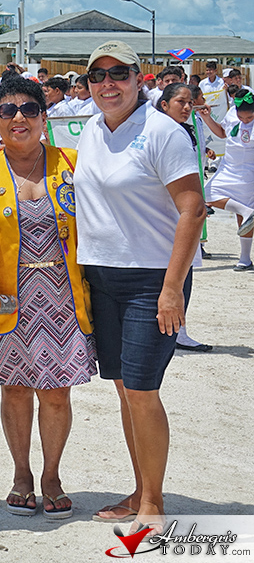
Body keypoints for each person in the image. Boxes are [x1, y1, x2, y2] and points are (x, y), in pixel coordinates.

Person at [75, 41, 205, 532]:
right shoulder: (90, 129)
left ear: (139, 78)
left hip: (151, 281)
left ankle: (153, 501)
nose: (108, 84)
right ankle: (139, 489)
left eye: (120, 73)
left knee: (144, 391)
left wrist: (172, 289)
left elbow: (192, 208)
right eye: (98, 75)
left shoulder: (162, 132)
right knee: (125, 390)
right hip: (101, 277)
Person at [0, 76, 96, 519]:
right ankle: (22, 474)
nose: (18, 118)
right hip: (7, 297)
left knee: (58, 394)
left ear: (45, 118)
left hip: (63, 297)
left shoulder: (74, 163)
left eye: (29, 109)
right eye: (8, 111)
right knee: (16, 391)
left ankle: (52, 476)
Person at [152, 84, 213, 351]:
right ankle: (176, 332)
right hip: (163, 215)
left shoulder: (188, 129)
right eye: (181, 102)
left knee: (183, 270)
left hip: (181, 209)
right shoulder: (157, 133)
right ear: (164, 104)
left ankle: (181, 329)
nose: (187, 108)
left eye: (190, 103)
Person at [197, 89, 254, 271]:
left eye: (249, 118)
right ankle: (247, 211)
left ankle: (245, 258)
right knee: (205, 195)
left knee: (243, 219)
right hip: (228, 167)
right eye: (242, 117)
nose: (245, 120)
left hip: (249, 170)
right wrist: (207, 118)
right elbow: (222, 133)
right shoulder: (231, 114)